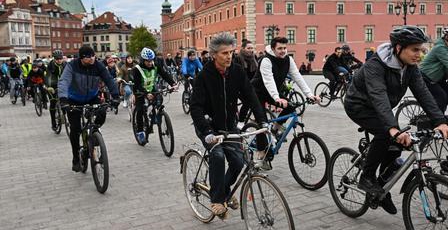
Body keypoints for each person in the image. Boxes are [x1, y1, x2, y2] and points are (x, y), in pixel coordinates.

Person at [344, 26, 448, 215]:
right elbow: (378, 95)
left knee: (395, 148)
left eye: (421, 49)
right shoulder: (375, 66)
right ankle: (367, 177)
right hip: (359, 106)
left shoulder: (410, 68)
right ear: (398, 48)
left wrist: (440, 121)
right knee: (385, 134)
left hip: (382, 108)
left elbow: (423, 94)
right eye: (415, 49)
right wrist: (393, 129)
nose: (419, 54)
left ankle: (382, 189)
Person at [190, 32, 268, 217]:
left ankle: (222, 191)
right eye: (224, 53)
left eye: (231, 52)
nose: (229, 56)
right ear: (214, 55)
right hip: (208, 126)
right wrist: (207, 132)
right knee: (217, 155)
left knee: (238, 162)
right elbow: (196, 108)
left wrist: (262, 120)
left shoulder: (236, 71)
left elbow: (250, 96)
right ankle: (216, 200)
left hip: (229, 125)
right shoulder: (203, 76)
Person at [250, 37, 320, 167]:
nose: (283, 51)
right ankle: (260, 155)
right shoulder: (266, 60)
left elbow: (297, 76)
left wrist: (309, 94)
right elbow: (268, 80)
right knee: (262, 123)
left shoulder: (288, 59)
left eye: (284, 48)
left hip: (273, 92)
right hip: (257, 92)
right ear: (272, 49)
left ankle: (276, 129)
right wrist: (277, 98)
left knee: (291, 107)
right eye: (279, 48)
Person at [58, 46, 119, 172]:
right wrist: (63, 100)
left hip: (92, 96)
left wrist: (116, 95)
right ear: (81, 58)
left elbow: (108, 79)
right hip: (73, 99)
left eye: (93, 56)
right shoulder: (72, 66)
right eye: (88, 57)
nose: (92, 58)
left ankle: (94, 134)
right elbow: (64, 81)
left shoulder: (98, 65)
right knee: (75, 129)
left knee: (102, 112)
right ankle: (75, 158)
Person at [133, 47, 177, 145]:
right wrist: (145, 93)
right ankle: (140, 131)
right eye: (147, 61)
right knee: (140, 109)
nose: (149, 63)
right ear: (142, 60)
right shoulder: (137, 69)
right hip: (140, 91)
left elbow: (164, 74)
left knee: (159, 99)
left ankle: (153, 115)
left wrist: (173, 84)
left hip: (151, 88)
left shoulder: (156, 66)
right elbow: (137, 85)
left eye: (151, 60)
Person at [46, 50, 66, 130]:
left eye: (60, 58)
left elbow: (70, 75)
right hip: (52, 86)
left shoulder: (65, 64)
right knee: (53, 103)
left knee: (66, 101)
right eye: (57, 59)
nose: (59, 60)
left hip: (63, 85)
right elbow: (48, 76)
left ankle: (64, 115)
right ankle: (53, 121)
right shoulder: (51, 65)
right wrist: (49, 86)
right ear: (54, 59)